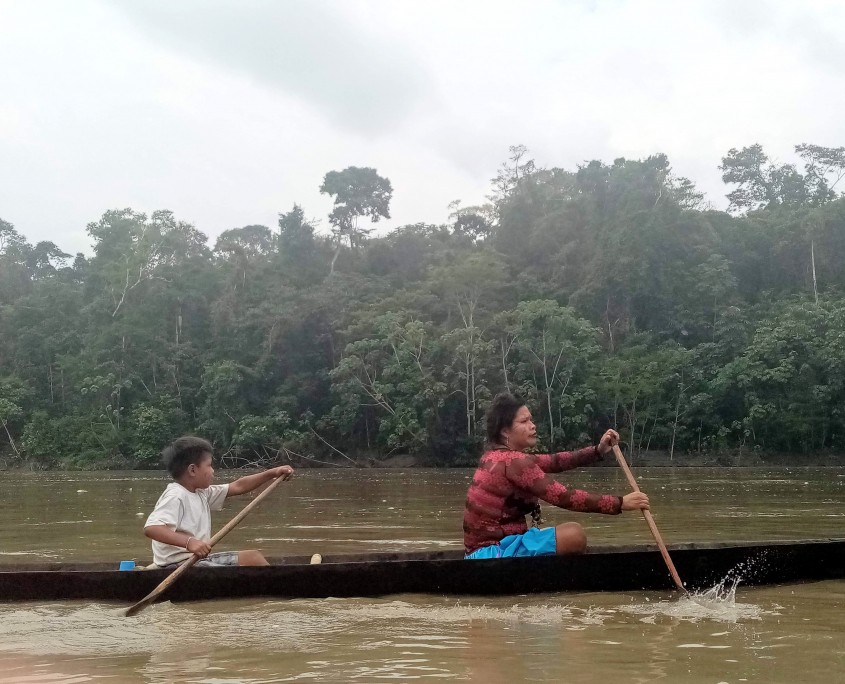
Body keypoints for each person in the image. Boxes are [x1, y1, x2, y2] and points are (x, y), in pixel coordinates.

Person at [463, 392, 649, 559]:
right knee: (574, 535)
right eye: (524, 422)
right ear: (505, 431)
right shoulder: (512, 461)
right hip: (491, 554)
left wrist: (598, 450)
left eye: (531, 420)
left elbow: (556, 461)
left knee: (565, 533)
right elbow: (563, 497)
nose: (533, 426)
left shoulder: (495, 457)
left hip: (486, 551)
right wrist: (620, 503)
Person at [144, 435, 294, 568]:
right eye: (209, 465)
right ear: (192, 470)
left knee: (253, 558)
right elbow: (152, 528)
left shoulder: (201, 492)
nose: (213, 471)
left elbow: (238, 486)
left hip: (197, 560)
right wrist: (190, 542)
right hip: (178, 566)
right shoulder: (176, 495)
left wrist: (272, 473)